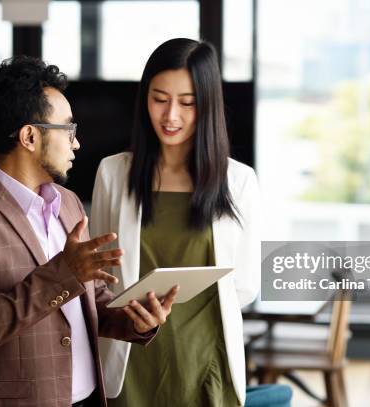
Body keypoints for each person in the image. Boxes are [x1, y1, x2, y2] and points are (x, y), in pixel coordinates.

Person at [0, 56, 178, 407]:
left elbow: (89, 299)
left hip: (88, 399)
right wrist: (64, 275)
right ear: (29, 136)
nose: (77, 144)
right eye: (68, 130)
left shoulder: (69, 202)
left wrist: (137, 321)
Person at [91, 38, 260, 406]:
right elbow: (99, 278)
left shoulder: (239, 181)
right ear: (144, 99)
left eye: (187, 103)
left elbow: (245, 285)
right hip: (130, 360)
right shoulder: (113, 174)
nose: (171, 116)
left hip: (206, 359)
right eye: (159, 98)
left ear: (208, 105)